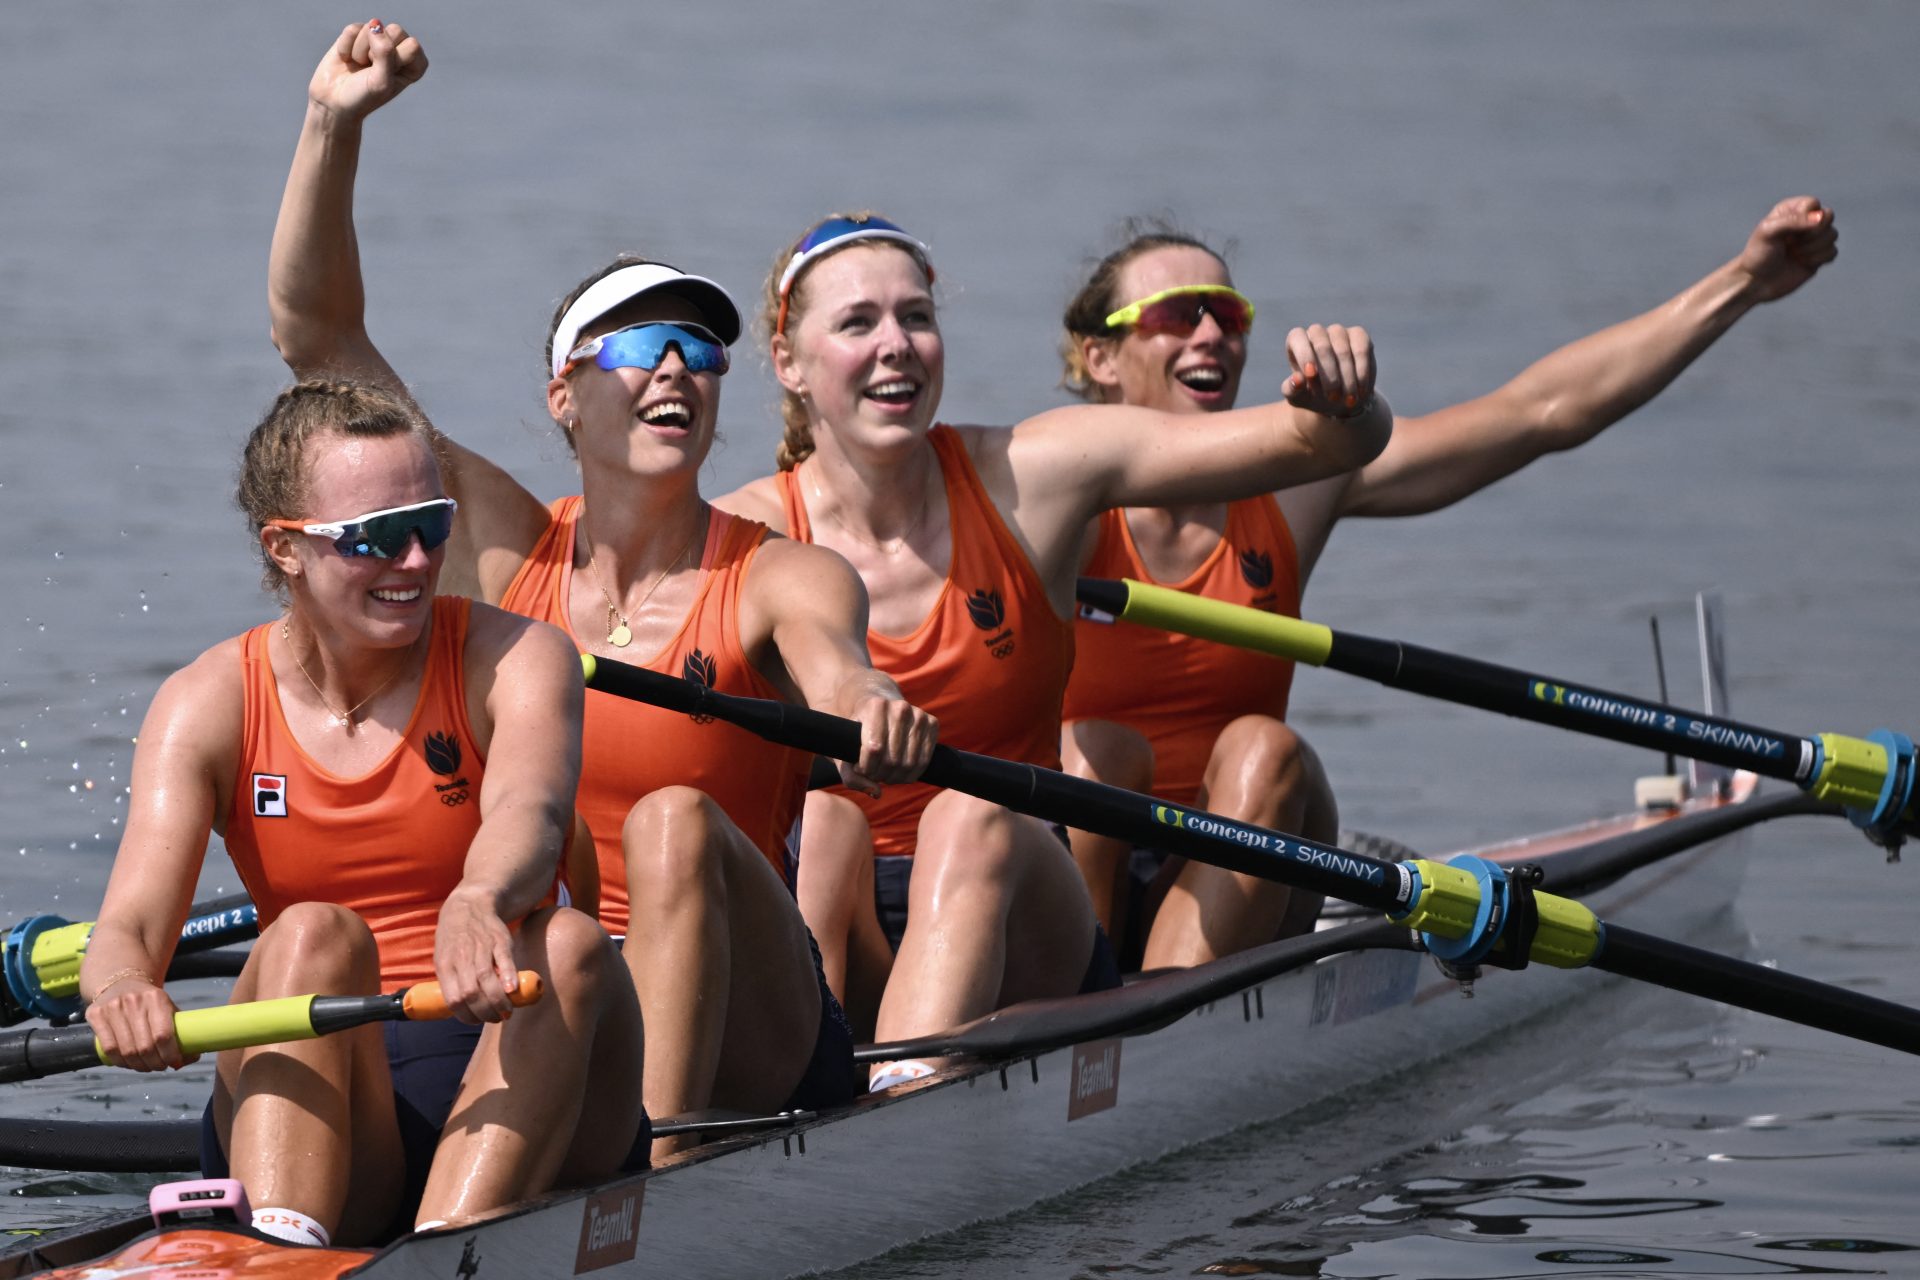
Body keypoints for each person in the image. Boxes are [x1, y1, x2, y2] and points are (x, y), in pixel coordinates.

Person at [266, 21, 935, 1155]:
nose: (676, 367)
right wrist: (332, 123)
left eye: (699, 349)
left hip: (755, 1019)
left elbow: (840, 663)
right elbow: (315, 337)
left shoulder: (780, 573)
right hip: (560, 990)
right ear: (565, 396)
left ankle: (661, 1167)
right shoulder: (493, 545)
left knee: (677, 821)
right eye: (637, 348)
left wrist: (868, 700)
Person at [1056, 198, 1839, 968]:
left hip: (1253, 857)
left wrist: (1743, 282)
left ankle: (1152, 1024)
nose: (1211, 335)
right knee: (1096, 754)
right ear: (1100, 357)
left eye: (1229, 314)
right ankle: (1080, 1004)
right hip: (1078, 865)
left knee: (1265, 746)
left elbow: (1538, 414)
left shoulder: (1294, 485)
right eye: (1176, 314)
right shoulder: (1051, 506)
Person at [716, 213, 1392, 1084]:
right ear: (788, 362)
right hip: (845, 917)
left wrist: (1347, 406)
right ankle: (809, 1098)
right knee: (828, 824)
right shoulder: (747, 533)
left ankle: (894, 1109)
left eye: (917, 317)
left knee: (967, 809)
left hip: (1021, 904)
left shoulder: (1030, 473)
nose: (899, 345)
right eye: (859, 323)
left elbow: (1321, 443)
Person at [80, 380, 645, 1245]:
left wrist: (478, 899)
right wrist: (121, 990)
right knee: (310, 935)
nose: (416, 562)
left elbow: (530, 813)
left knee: (569, 942)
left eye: (433, 525)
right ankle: (278, 1242)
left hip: (519, 1048)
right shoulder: (206, 702)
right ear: (286, 549)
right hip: (325, 1087)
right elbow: (127, 927)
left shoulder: (519, 657)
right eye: (377, 538)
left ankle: (448, 1248)